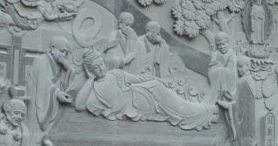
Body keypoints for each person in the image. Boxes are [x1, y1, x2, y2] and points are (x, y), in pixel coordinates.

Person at [75, 52, 215, 129]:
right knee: (174, 110)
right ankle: (204, 113)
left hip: (144, 92)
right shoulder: (95, 89)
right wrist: (90, 79)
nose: (101, 68)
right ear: (91, 71)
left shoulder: (115, 74)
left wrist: (157, 79)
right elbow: (79, 106)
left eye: (102, 64)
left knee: (175, 102)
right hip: (137, 106)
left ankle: (203, 111)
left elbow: (138, 79)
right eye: (96, 67)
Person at [31, 36, 73, 131]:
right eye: (62, 51)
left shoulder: (60, 65)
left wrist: (68, 70)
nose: (64, 55)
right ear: (53, 48)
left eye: (66, 53)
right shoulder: (41, 60)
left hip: (54, 104)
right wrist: (57, 93)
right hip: (36, 102)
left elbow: (66, 86)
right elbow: (43, 82)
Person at [206, 32, 238, 106]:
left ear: (228, 43)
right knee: (221, 70)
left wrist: (220, 64)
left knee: (222, 70)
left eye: (223, 44)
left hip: (230, 78)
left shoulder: (231, 54)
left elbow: (230, 69)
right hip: (217, 76)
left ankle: (225, 93)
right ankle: (218, 95)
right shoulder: (216, 53)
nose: (221, 46)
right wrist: (214, 59)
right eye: (218, 45)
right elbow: (212, 67)